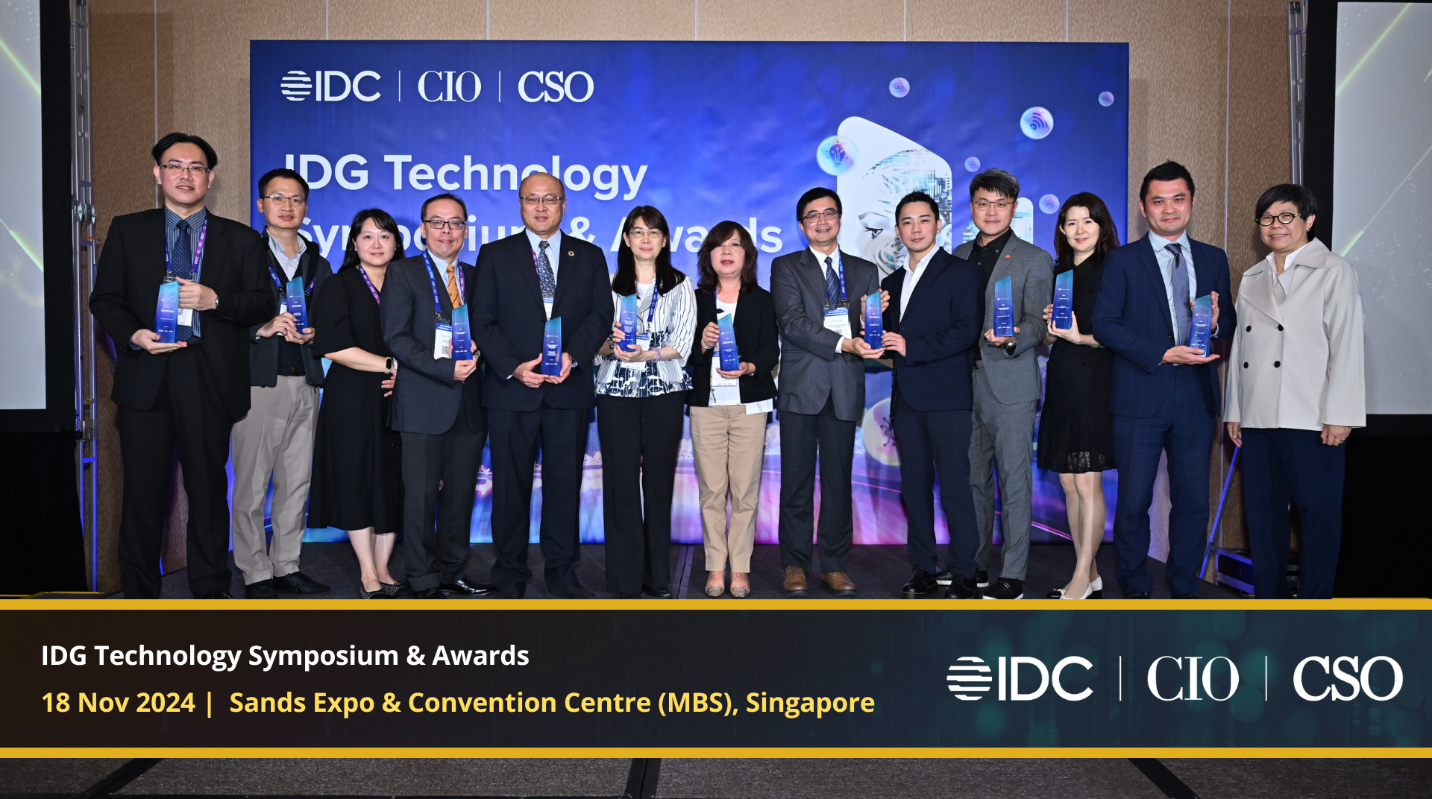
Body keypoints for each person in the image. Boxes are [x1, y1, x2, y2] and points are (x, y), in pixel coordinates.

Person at [89, 132, 271, 599]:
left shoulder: (242, 238)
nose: (185, 175)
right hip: (147, 373)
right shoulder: (128, 230)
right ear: (158, 174)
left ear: (210, 178)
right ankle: (139, 595)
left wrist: (216, 300)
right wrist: (134, 334)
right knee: (143, 493)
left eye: (196, 168)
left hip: (209, 377)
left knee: (208, 491)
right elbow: (104, 298)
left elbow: (261, 302)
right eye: (175, 166)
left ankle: (209, 589)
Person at [1091, 160, 1234, 599]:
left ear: (1192, 202)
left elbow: (1228, 321)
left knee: (1192, 500)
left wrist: (1214, 321)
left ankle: (1184, 584)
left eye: (1178, 199)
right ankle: (1134, 585)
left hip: (1195, 396)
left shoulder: (1212, 258)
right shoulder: (1121, 261)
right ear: (1143, 207)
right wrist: (1161, 353)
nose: (1169, 209)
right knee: (1134, 500)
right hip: (1139, 392)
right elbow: (1105, 324)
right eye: (1158, 201)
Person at [472, 173, 613, 599]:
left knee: (564, 487)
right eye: (532, 198)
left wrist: (574, 355)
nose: (540, 206)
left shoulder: (588, 255)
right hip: (512, 391)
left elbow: (600, 316)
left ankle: (562, 574)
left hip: (567, 389)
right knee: (509, 489)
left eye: (549, 199)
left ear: (564, 204)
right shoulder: (495, 254)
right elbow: (482, 320)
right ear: (519, 203)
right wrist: (513, 367)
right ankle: (510, 574)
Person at [1225, 184, 1364, 599]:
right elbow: (1240, 349)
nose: (1276, 225)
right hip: (1259, 416)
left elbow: (1347, 344)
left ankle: (1315, 607)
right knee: (1262, 517)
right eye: (1267, 218)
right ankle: (1269, 604)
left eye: (1287, 216)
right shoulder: (1253, 276)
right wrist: (1235, 410)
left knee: (1318, 516)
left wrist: (1341, 414)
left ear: (1309, 220)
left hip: (1312, 416)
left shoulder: (1334, 269)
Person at [770, 187, 885, 598]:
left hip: (844, 386)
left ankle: (835, 566)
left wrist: (872, 321)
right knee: (796, 484)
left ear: (839, 218)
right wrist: (844, 343)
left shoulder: (865, 270)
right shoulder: (786, 266)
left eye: (829, 213)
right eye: (812, 216)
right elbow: (792, 323)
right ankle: (795, 565)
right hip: (802, 387)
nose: (822, 221)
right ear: (802, 226)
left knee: (838, 484)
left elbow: (869, 327)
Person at [382, 193, 492, 599]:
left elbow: (490, 329)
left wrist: (483, 349)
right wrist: (447, 369)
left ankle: (453, 573)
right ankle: (423, 578)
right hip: (423, 402)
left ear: (465, 230)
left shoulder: (477, 276)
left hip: (470, 403)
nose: (447, 231)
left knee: (460, 497)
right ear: (423, 230)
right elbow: (397, 337)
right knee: (421, 498)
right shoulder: (403, 272)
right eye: (438, 222)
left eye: (455, 223)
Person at [230, 168, 332, 599]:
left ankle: (287, 565)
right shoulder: (242, 254)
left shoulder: (319, 262)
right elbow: (222, 315)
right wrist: (262, 327)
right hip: (259, 383)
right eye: (277, 198)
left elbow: (331, 321)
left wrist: (318, 334)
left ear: (306, 207)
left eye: (296, 199)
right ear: (261, 205)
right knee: (252, 484)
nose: (287, 206)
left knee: (296, 482)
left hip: (306, 382)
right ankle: (255, 572)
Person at [952, 168, 1053, 600]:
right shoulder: (957, 255)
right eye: (983, 203)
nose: (991, 212)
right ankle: (974, 566)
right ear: (971, 207)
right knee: (971, 481)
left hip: (1009, 382)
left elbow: (1040, 324)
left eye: (1001, 204)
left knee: (1013, 482)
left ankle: (1012, 573)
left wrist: (1014, 337)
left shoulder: (1034, 258)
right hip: (961, 384)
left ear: (1014, 208)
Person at [878, 192, 984, 599]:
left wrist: (913, 347)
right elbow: (885, 343)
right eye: (907, 222)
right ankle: (923, 567)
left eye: (924, 220)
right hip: (906, 397)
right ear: (898, 229)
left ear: (939, 224)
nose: (916, 228)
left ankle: (964, 571)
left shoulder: (962, 272)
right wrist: (872, 319)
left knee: (956, 485)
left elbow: (966, 330)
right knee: (914, 487)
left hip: (947, 395)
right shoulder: (890, 283)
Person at [594, 207, 696, 598]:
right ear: (626, 239)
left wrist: (646, 354)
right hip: (616, 391)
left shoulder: (680, 285)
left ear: (665, 240)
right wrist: (613, 346)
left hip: (663, 392)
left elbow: (682, 344)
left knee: (658, 482)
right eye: (637, 232)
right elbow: (595, 343)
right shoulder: (608, 284)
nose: (646, 239)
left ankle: (657, 578)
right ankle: (624, 579)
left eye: (653, 232)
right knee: (620, 483)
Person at [307, 210, 404, 598]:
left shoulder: (409, 281)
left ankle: (384, 568)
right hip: (352, 397)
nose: (376, 244)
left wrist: (410, 372)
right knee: (356, 480)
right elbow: (332, 346)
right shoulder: (339, 284)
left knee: (393, 481)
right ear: (354, 243)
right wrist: (393, 365)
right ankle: (367, 573)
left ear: (396, 242)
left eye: (384, 236)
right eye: (367, 236)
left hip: (401, 397)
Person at [687, 222, 780, 599]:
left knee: (745, 491)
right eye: (719, 245)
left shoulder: (762, 299)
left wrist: (750, 367)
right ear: (708, 255)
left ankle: (739, 567)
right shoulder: (694, 299)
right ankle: (715, 566)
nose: (727, 252)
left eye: (735, 245)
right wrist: (702, 343)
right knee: (711, 490)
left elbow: (770, 349)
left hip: (749, 405)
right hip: (706, 405)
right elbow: (681, 353)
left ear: (747, 255)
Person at [1036, 193, 1122, 600]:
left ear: (1102, 226)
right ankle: (1089, 574)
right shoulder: (1060, 273)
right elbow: (1051, 339)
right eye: (1071, 223)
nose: (1079, 229)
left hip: (1095, 383)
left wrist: (1080, 336)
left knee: (1088, 485)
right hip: (1063, 380)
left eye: (1088, 221)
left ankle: (1080, 578)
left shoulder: (1113, 269)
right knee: (1070, 484)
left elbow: (1120, 335)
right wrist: (1051, 330)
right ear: (1062, 230)